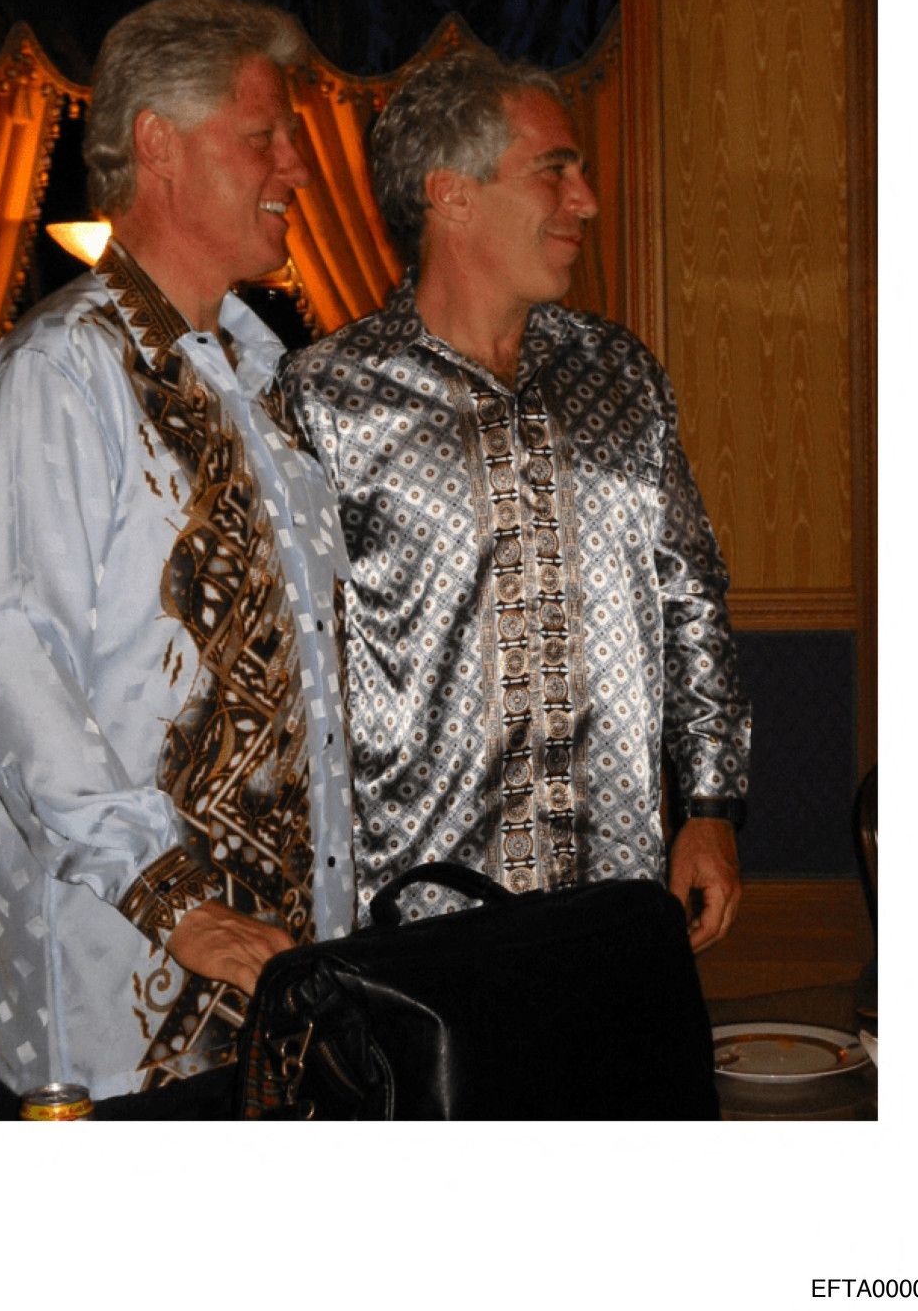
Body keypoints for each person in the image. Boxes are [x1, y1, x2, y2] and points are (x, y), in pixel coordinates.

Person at [0, 0, 355, 1117]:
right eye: (265, 136)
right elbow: (13, 664)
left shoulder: (259, 381)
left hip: (283, 984)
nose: (298, 168)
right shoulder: (59, 372)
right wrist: (176, 901)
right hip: (124, 1008)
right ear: (159, 146)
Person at [282, 48, 750, 949]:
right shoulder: (325, 398)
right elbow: (294, 674)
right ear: (451, 194)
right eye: (554, 170)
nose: (587, 200)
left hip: (615, 895)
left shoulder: (619, 376)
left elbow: (692, 600)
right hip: (419, 919)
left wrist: (710, 807)